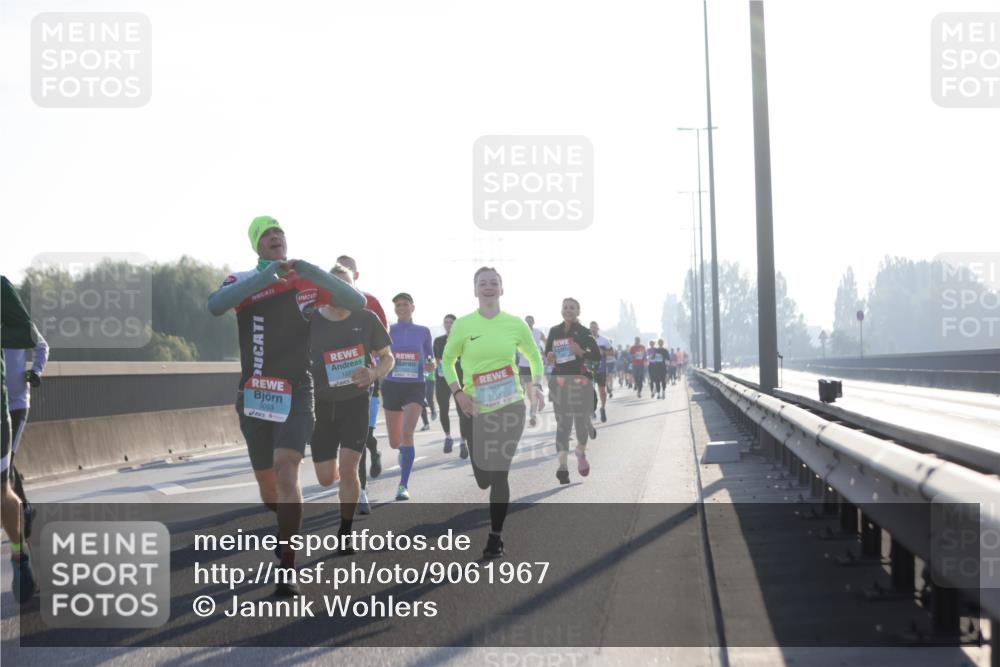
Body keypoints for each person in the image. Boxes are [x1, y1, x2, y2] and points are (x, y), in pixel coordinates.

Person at [208, 216, 366, 596]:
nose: (274, 236)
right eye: (265, 234)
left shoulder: (306, 281)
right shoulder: (242, 281)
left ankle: (289, 565)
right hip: (255, 393)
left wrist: (310, 270)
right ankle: (286, 528)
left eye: (278, 232)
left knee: (286, 470)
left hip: (297, 391)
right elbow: (216, 305)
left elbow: (355, 300)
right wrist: (266, 278)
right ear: (256, 245)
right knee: (269, 491)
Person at [442, 267, 543, 558]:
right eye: (482, 283)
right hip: (474, 409)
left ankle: (495, 537)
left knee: (499, 474)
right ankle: (488, 490)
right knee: (483, 478)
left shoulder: (514, 324)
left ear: (502, 288)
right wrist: (458, 393)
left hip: (510, 405)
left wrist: (535, 385)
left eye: (493, 283)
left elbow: (534, 356)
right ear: (475, 290)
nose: (488, 287)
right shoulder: (462, 325)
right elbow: (447, 362)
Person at [308, 265, 393, 553]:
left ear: (354, 288)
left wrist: (373, 373)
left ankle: (345, 533)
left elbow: (388, 358)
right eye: (334, 284)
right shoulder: (311, 320)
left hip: (356, 403)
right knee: (324, 478)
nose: (340, 290)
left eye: (346, 284)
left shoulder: (366, 318)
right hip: (320, 405)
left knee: (348, 468)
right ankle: (341, 483)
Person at [335, 255, 387, 513]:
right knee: (346, 437)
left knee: (362, 434)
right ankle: (353, 479)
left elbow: (383, 343)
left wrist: (374, 370)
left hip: (365, 380)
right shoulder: (325, 304)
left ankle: (362, 490)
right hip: (332, 384)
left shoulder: (371, 303)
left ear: (356, 276)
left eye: (348, 271)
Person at [2, 275, 40, 603]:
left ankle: (20, 554)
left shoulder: (1, 288)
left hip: (13, 403)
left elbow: (36, 339)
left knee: (5, 477)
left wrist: (35, 372)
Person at [382, 293, 434, 501]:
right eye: (398, 305)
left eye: (405, 304)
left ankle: (403, 485)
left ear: (413, 307)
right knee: (395, 442)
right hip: (392, 386)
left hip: (415, 386)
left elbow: (429, 357)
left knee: (407, 433)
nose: (401, 308)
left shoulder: (423, 331)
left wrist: (431, 365)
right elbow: (379, 355)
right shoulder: (387, 330)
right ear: (394, 308)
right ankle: (402, 451)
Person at [545, 298, 601, 485]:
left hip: (579, 381)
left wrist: (580, 352)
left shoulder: (584, 333)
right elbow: (547, 353)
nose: (568, 310)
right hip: (559, 381)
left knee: (580, 424)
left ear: (578, 312)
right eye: (565, 307)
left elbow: (597, 357)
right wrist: (550, 356)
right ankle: (562, 467)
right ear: (561, 310)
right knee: (563, 426)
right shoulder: (554, 331)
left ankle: (580, 451)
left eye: (572, 308)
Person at [3, 330, 49, 540]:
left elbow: (42, 346)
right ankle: (26, 509)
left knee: (7, 460)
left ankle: (19, 514)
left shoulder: (19, 322)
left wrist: (36, 371)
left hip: (17, 402)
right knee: (5, 462)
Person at [433, 314, 469, 458]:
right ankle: (448, 437)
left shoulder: (463, 340)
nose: (448, 325)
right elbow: (437, 360)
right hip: (442, 379)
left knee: (462, 411)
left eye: (451, 323)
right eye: (446, 322)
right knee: (443, 409)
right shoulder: (438, 341)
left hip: (459, 379)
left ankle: (463, 441)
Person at [516, 315, 547, 425]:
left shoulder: (538, 332)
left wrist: (545, 353)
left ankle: (533, 414)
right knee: (529, 392)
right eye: (527, 321)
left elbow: (546, 342)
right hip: (523, 365)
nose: (528, 323)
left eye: (530, 321)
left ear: (533, 322)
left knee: (533, 390)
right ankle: (537, 402)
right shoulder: (520, 333)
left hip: (535, 365)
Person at [589, 322, 612, 423]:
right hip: (589, 369)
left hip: (601, 369)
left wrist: (603, 352)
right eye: (591, 328)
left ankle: (602, 408)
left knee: (602, 391)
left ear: (598, 328)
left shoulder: (604, 340)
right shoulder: (586, 340)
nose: (593, 329)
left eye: (595, 327)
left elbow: (612, 352)